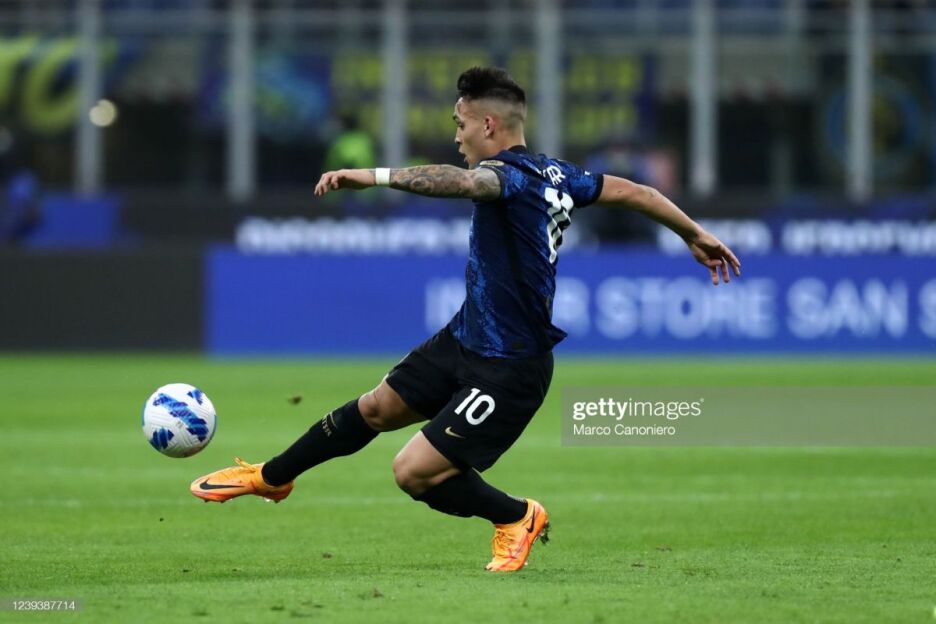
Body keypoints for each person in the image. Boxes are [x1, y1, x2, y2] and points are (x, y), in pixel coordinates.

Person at [190, 67, 741, 572]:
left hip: (510, 365)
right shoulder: (558, 173)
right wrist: (694, 233)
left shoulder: (507, 176)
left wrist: (374, 176)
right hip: (466, 338)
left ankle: (518, 516)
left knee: (413, 472)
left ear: (488, 124)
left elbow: (466, 183)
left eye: (460, 125)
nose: (457, 138)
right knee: (376, 407)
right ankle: (272, 477)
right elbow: (636, 191)